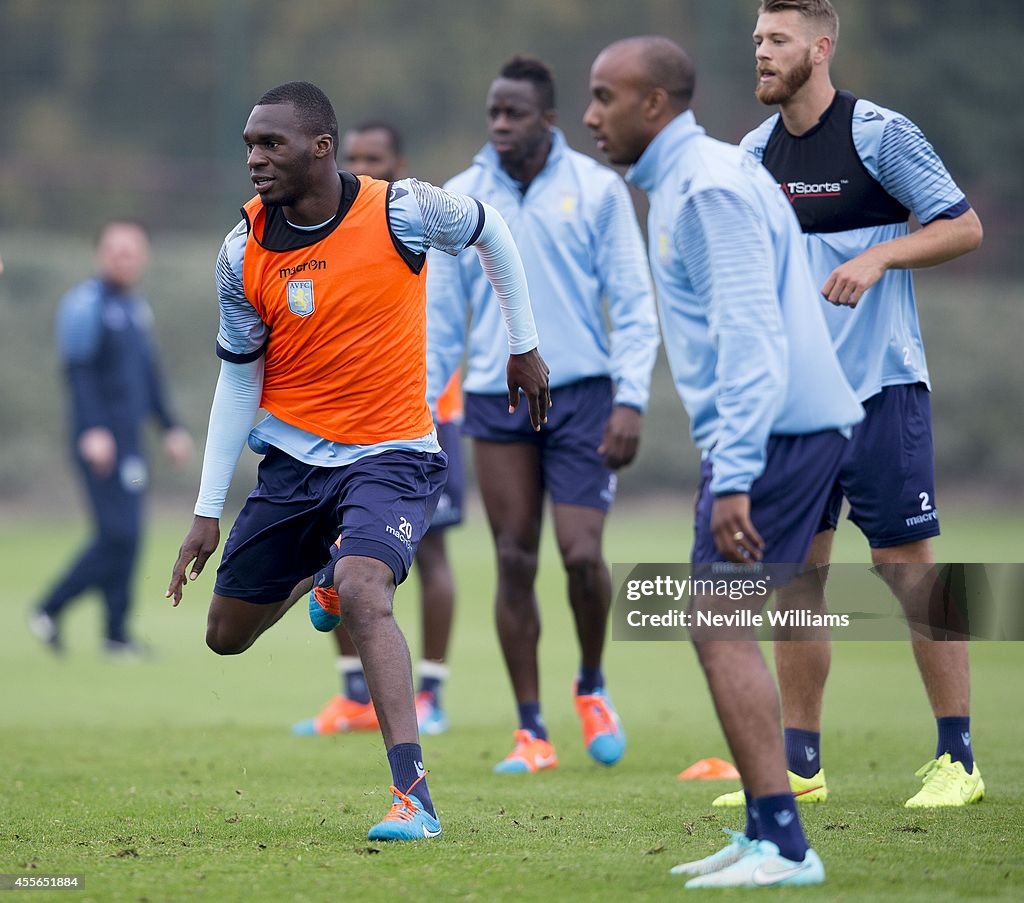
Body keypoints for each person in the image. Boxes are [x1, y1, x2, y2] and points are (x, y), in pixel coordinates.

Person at [165, 81, 548, 843]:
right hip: (293, 466)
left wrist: (523, 344)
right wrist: (209, 509)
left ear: (321, 148)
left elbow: (491, 231)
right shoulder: (241, 250)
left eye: (270, 143)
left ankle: (414, 796)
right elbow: (239, 376)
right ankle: (320, 574)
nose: (254, 159)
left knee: (368, 588)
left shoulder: (401, 210)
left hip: (394, 453)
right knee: (225, 633)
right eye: (248, 144)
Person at [586, 36, 864, 887]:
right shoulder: (692, 177)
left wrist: (735, 472)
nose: (591, 116)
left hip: (774, 433)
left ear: (655, 106)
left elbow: (752, 342)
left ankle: (783, 843)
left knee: (716, 620)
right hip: (771, 431)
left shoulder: (705, 189)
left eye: (606, 97)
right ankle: (761, 830)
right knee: (719, 621)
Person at [735, 0, 985, 810]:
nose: (763, 53)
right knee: (796, 581)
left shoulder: (880, 133)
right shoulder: (752, 152)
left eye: (777, 40)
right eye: (757, 40)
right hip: (797, 407)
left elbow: (963, 226)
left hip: (881, 390)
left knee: (908, 572)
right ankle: (800, 766)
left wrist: (881, 255)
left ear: (822, 45)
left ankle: (959, 760)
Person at [427, 56, 660, 774]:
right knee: (513, 557)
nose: (500, 124)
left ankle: (590, 682)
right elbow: (440, 318)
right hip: (496, 405)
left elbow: (631, 300)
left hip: (584, 398)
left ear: (548, 121)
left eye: (514, 113)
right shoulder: (459, 199)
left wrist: (631, 397)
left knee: (582, 555)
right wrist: (419, 408)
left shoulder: (596, 191)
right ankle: (531, 729)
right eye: (492, 113)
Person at [292, 121, 465, 738]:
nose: (364, 169)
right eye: (355, 158)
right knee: (332, 556)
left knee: (432, 551)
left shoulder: (422, 227)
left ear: (400, 163)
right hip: (347, 424)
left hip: (426, 418)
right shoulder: (331, 233)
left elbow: (449, 321)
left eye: (377, 159)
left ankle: (433, 693)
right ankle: (354, 695)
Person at [30, 220, 193, 657]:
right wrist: (93, 430)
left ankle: (115, 635)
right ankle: (48, 608)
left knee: (129, 535)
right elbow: (78, 373)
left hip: (131, 448)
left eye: (133, 251)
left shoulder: (136, 307)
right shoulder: (86, 305)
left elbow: (149, 376)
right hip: (100, 445)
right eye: (117, 250)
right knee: (117, 533)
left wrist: (171, 427)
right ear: (100, 254)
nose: (125, 258)